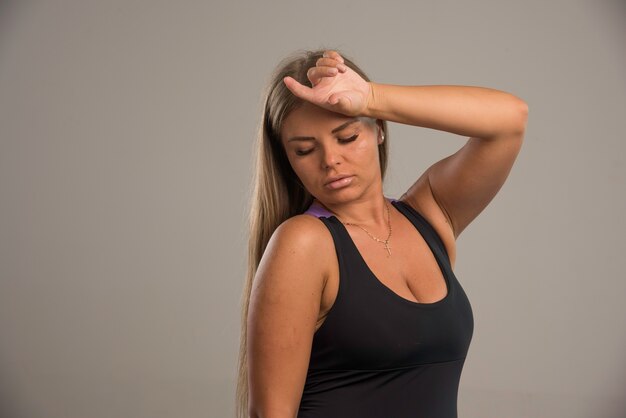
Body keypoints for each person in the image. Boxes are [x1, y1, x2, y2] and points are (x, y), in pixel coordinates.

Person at [236, 48, 528, 418]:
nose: (330, 160)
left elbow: (510, 120)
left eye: (346, 137)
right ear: (288, 160)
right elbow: (271, 414)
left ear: (379, 131)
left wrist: (372, 97)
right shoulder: (304, 243)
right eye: (305, 150)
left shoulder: (430, 216)